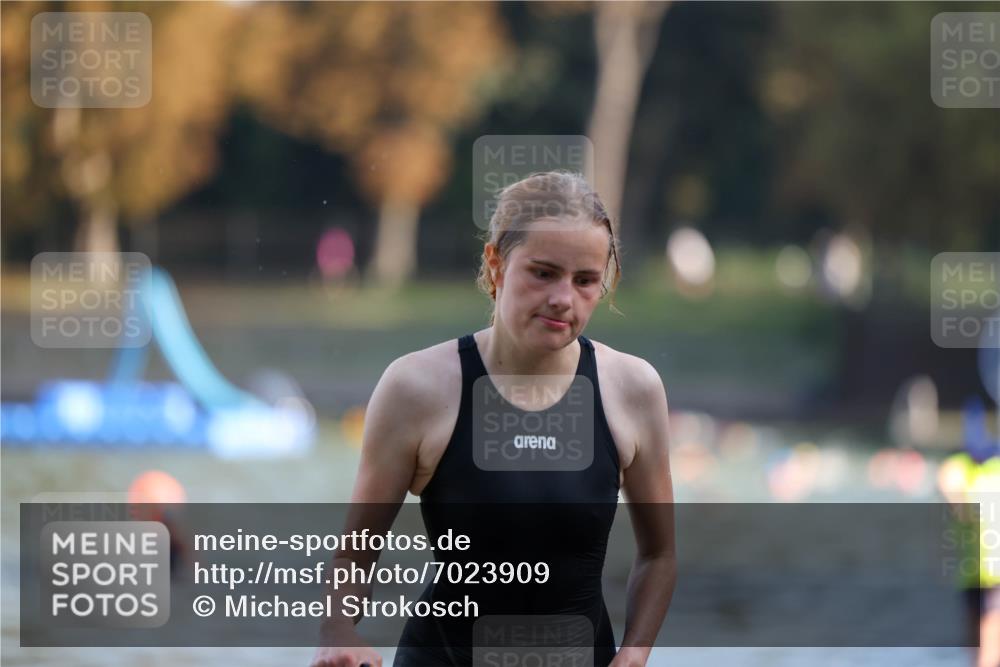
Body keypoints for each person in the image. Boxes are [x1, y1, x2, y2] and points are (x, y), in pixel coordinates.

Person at [310, 171, 676, 667]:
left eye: (585, 280)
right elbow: (356, 552)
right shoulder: (417, 387)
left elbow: (658, 555)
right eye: (543, 273)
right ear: (497, 264)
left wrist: (635, 654)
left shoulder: (632, 389)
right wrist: (337, 631)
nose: (563, 298)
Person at [937, 396, 1000, 667]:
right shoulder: (960, 467)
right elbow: (950, 487)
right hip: (973, 571)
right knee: (977, 636)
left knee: (989, 631)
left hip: (991, 572)